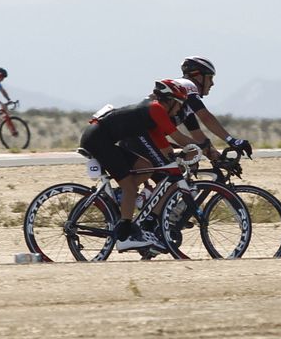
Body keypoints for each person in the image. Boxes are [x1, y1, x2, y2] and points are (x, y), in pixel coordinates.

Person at [79, 79, 201, 251]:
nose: (180, 109)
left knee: (145, 166)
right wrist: (203, 147)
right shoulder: (156, 108)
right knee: (130, 186)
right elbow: (178, 137)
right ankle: (125, 235)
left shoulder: (152, 116)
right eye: (180, 104)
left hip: (102, 137)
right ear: (171, 101)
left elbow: (164, 146)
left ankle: (122, 198)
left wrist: (177, 159)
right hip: (98, 139)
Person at [167, 55, 254, 160]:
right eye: (210, 78)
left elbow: (197, 134)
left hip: (150, 135)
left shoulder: (183, 98)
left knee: (192, 154)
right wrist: (231, 140)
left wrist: (216, 156)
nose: (212, 83)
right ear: (197, 76)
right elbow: (206, 117)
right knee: (185, 160)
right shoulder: (186, 85)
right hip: (146, 134)